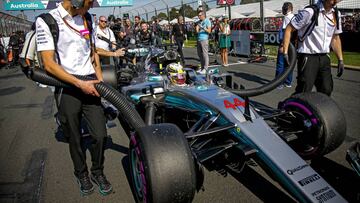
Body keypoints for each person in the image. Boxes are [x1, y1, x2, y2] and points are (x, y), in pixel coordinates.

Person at [36, 0, 113, 195]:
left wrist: (99, 79)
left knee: (100, 134)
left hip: (90, 81)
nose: (92, 6)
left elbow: (93, 51)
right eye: (89, 2)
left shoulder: (87, 17)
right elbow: (48, 64)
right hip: (67, 84)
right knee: (75, 136)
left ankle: (97, 171)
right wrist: (79, 84)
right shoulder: (47, 20)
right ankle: (81, 173)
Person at [283, 0, 344, 96]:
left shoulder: (337, 14)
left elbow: (335, 38)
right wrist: (285, 52)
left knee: (326, 90)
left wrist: (340, 59)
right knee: (304, 91)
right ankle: (289, 109)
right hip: (308, 57)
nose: (335, 1)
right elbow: (289, 28)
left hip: (324, 57)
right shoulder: (309, 12)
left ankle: (318, 110)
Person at [275, 2, 295, 89]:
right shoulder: (294, 17)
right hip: (293, 45)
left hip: (285, 44)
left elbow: (284, 33)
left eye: (283, 8)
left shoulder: (287, 17)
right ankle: (288, 82)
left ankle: (278, 83)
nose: (282, 10)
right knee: (289, 64)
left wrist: (282, 45)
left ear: (287, 9)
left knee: (280, 63)